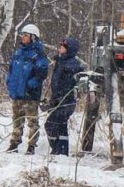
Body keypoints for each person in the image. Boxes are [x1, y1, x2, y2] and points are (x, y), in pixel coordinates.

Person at [5, 23, 49, 154]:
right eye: (22, 35)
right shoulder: (18, 53)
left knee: (32, 121)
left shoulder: (38, 55)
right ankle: (14, 143)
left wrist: (31, 85)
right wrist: (9, 82)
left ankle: (31, 145)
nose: (23, 37)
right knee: (17, 120)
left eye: (26, 35)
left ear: (33, 37)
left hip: (30, 95)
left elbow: (42, 73)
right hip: (17, 93)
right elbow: (11, 69)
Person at [45, 37, 85, 156]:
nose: (59, 48)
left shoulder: (72, 64)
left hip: (66, 101)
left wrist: (62, 97)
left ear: (69, 50)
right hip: (58, 99)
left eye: (63, 47)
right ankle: (60, 151)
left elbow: (70, 84)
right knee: (60, 126)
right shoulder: (61, 62)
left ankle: (58, 150)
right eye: (60, 46)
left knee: (51, 124)